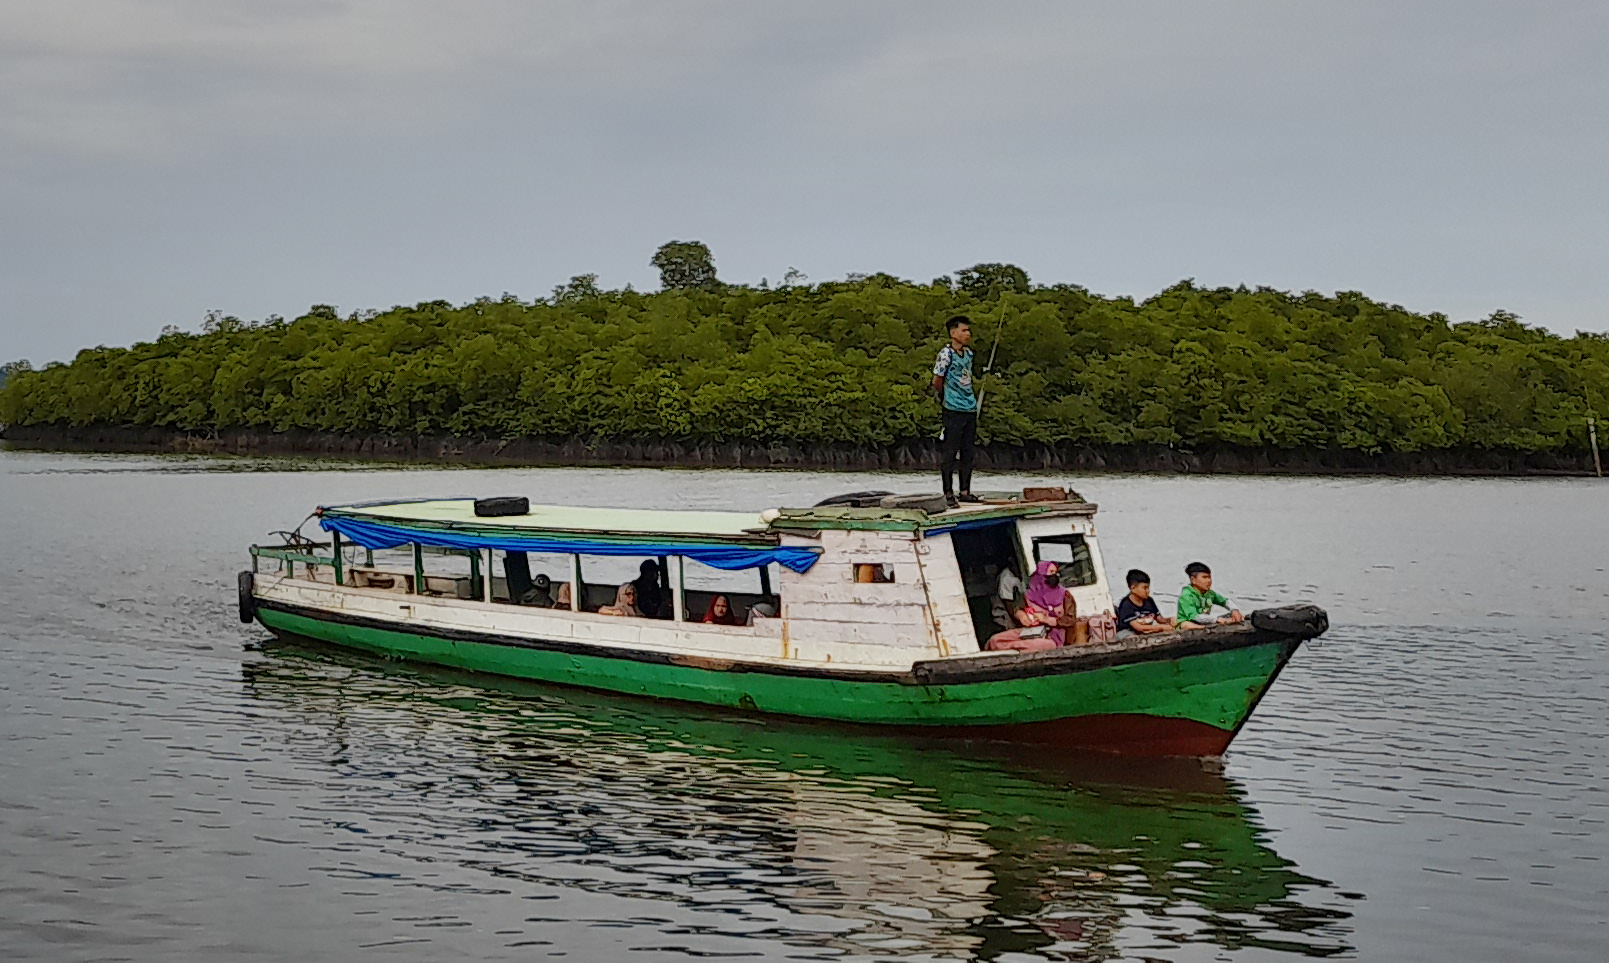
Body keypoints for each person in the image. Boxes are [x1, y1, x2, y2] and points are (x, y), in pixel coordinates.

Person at [930, 315, 980, 509]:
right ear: (953, 333)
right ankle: (948, 492)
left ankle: (965, 491)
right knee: (950, 451)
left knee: (968, 451)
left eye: (968, 330)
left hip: (969, 407)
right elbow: (937, 380)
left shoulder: (968, 354)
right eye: (964, 330)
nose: (967, 334)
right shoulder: (946, 354)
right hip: (953, 408)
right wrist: (945, 396)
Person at [985, 560, 1080, 650]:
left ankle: (1012, 651)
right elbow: (1018, 609)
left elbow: (1070, 620)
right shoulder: (1028, 595)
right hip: (1030, 632)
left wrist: (1046, 619)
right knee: (995, 640)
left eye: (1055, 572)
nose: (1054, 576)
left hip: (1053, 637)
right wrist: (1020, 614)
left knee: (1022, 646)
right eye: (1050, 572)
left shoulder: (1064, 595)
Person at [1176, 562, 1245, 628]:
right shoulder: (1186, 595)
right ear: (1193, 580)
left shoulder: (1210, 594)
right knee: (1186, 625)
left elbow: (1225, 601)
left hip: (1206, 621)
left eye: (1209, 577)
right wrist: (1216, 619)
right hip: (1190, 621)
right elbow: (1194, 616)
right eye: (1204, 577)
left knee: (1234, 616)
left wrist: (1234, 610)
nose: (1209, 581)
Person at [1115, 569, 1174, 636]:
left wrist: (1169, 620)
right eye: (1145, 588)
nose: (1148, 591)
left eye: (1148, 588)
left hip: (1145, 632)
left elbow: (1159, 618)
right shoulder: (1126, 604)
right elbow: (1138, 627)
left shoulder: (1149, 601)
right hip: (1128, 632)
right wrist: (1161, 627)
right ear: (1133, 588)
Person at [991, 561, 1024, 631]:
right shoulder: (1006, 577)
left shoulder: (1019, 574)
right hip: (1005, 618)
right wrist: (1018, 621)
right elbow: (1008, 604)